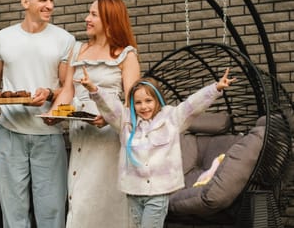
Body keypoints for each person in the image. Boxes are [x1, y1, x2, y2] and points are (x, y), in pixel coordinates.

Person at [0, 0, 75, 228]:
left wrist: (50, 96)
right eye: (43, 0)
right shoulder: (2, 38)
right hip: (9, 133)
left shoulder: (65, 39)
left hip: (48, 135)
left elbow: (66, 87)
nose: (50, 5)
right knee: (13, 213)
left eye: (52, 0)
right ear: (24, 2)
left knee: (51, 212)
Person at [77, 67, 236, 228]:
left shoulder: (172, 118)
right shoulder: (125, 121)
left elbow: (192, 105)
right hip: (133, 192)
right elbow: (110, 106)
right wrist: (93, 89)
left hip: (158, 193)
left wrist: (215, 88)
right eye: (138, 102)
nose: (144, 106)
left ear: (158, 100)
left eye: (148, 101)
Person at [45, 0, 140, 228]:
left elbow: (132, 102)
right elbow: (68, 90)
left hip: (109, 139)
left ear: (109, 20)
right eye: (89, 13)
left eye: (93, 14)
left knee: (104, 199)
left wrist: (109, 118)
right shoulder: (77, 51)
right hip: (81, 135)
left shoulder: (126, 55)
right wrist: (55, 113)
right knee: (79, 199)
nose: (87, 18)